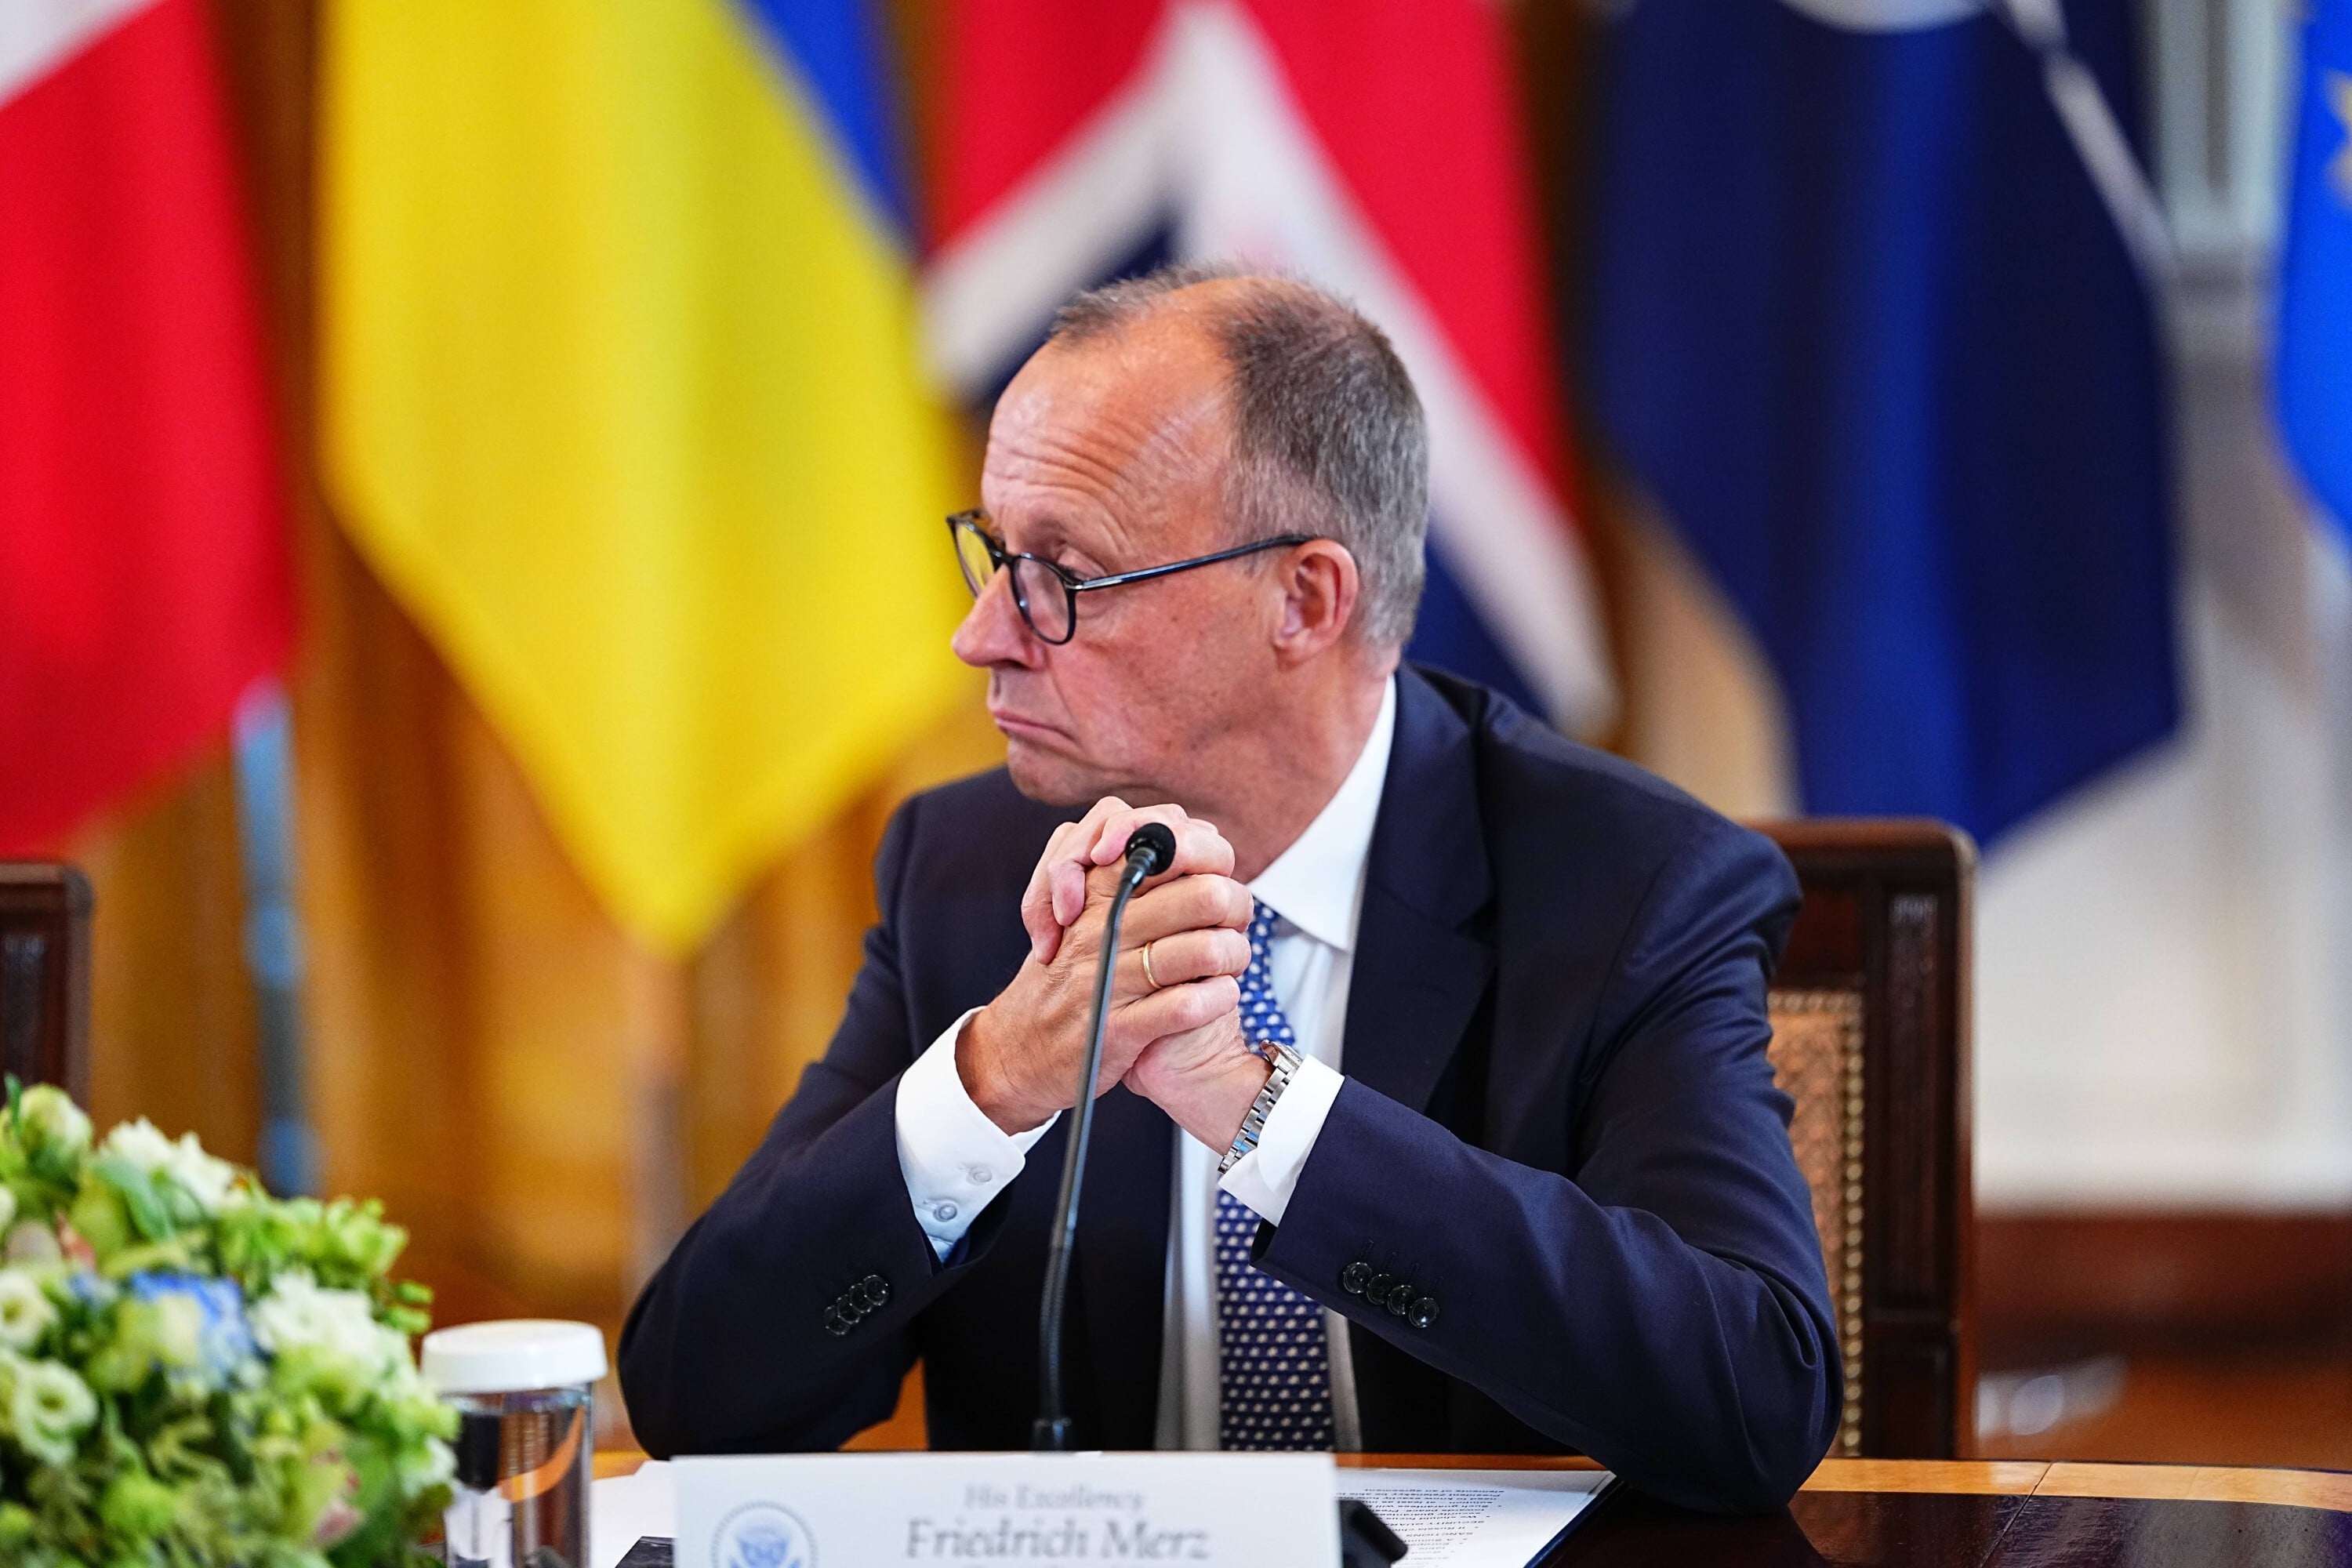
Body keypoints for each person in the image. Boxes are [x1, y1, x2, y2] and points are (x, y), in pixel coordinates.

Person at [618, 266, 1840, 1513]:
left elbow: (1754, 1394)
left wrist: (1263, 1112)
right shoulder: (971, 872)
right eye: (994, 552)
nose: (982, 635)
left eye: (1062, 576)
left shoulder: (1633, 889)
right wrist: (992, 1082)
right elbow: (692, 1395)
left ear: (1304, 600)